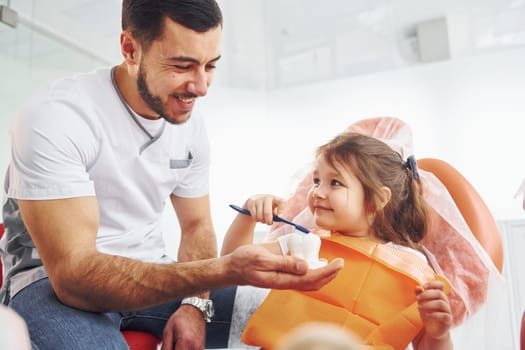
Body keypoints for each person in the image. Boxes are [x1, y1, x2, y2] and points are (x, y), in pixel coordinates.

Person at [0, 1, 343, 349]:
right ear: (130, 49)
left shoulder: (189, 125)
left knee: (303, 323)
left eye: (210, 66)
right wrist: (224, 270)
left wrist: (196, 303)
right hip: (50, 286)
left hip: (151, 270)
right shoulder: (56, 118)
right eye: (183, 65)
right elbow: (75, 279)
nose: (201, 86)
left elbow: (196, 226)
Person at [221, 132, 454, 350]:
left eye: (335, 183)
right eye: (316, 180)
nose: (318, 192)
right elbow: (232, 265)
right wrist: (247, 216)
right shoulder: (306, 244)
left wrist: (438, 334)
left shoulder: (413, 270)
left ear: (379, 199)